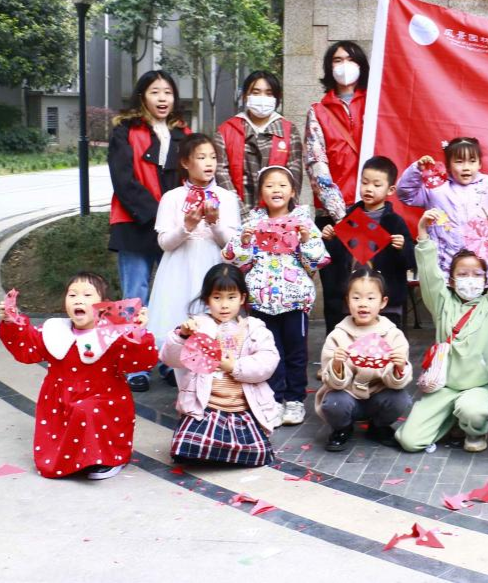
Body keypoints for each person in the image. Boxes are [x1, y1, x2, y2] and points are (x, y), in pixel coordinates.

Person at [0, 272, 158, 479]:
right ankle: (71, 459)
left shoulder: (113, 333)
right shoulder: (54, 330)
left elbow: (138, 362)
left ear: (104, 304)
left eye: (87, 295)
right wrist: (12, 321)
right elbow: (28, 346)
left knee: (87, 409)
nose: (78, 300)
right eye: (72, 295)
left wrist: (137, 333)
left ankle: (105, 458)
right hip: (59, 398)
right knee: (69, 424)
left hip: (103, 398)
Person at [397, 209, 488, 454]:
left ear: (486, 280)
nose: (469, 279)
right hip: (444, 386)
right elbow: (429, 275)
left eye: (477, 274)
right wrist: (423, 233)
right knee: (409, 441)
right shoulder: (442, 303)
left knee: (473, 410)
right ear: (451, 281)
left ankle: (474, 430)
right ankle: (452, 417)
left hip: (479, 387)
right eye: (462, 274)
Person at [224, 166, 330, 426]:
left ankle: (294, 400)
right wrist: (245, 242)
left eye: (282, 185)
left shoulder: (303, 222)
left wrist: (305, 240)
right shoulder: (252, 223)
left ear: (293, 191)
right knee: (268, 352)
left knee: (295, 352)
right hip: (261, 302)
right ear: (261, 192)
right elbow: (233, 259)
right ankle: (272, 399)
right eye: (269, 185)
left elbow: (317, 260)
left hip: (295, 301)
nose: (276, 190)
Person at [108, 69, 188, 391]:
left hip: (173, 227)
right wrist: (158, 215)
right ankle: (134, 365)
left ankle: (169, 360)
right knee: (134, 296)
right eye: (155, 92)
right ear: (142, 96)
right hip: (135, 221)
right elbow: (123, 180)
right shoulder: (125, 130)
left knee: (171, 294)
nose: (162, 98)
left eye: (167, 92)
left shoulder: (183, 133)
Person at [161, 264, 280, 466]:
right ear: (206, 299)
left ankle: (219, 454)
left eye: (231, 297)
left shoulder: (255, 329)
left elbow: (268, 362)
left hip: (242, 409)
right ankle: (217, 453)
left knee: (258, 453)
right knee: (186, 446)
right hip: (206, 408)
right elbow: (170, 358)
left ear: (242, 298)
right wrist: (182, 336)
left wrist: (233, 367)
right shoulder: (196, 327)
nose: (224, 305)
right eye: (217, 297)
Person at [148, 135, 240, 371]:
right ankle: (176, 366)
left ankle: (214, 367)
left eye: (213, 157)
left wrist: (214, 223)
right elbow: (164, 243)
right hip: (179, 267)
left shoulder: (227, 197)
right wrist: (186, 227)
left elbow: (232, 244)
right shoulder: (172, 198)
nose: (209, 163)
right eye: (201, 157)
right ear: (185, 162)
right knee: (178, 313)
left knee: (214, 313)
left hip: (213, 265)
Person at [395, 137, 488, 276]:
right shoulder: (436, 187)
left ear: (479, 164)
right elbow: (406, 194)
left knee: (486, 286)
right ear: (448, 165)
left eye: (472, 161)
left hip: (487, 268)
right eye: (459, 162)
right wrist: (417, 170)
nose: (466, 167)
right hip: (444, 266)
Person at [316, 267, 413, 453]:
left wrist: (399, 367)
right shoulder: (338, 335)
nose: (363, 304)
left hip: (379, 394)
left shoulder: (393, 335)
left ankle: (379, 426)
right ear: (347, 301)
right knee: (334, 402)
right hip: (347, 394)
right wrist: (337, 365)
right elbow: (333, 383)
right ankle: (342, 428)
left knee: (400, 399)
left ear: (383, 302)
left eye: (370, 298)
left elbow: (397, 382)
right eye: (356, 298)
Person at [306, 41, 369, 324]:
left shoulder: (376, 104)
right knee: (336, 290)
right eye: (337, 60)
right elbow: (316, 164)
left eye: (351, 59)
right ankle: (336, 349)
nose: (344, 66)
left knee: (370, 286)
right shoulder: (318, 111)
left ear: (362, 66)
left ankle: (374, 348)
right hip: (333, 216)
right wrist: (344, 216)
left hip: (371, 210)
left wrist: (370, 207)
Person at [322, 156, 416, 333]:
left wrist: (402, 247)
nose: (369, 188)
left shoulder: (394, 222)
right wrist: (328, 239)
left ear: (391, 190)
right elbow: (333, 259)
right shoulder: (349, 218)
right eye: (364, 183)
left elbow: (410, 261)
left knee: (384, 346)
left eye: (376, 185)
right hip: (352, 303)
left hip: (386, 305)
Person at [214, 69, 303, 212]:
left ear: (277, 98)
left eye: (269, 93)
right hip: (236, 214)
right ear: (245, 96)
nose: (262, 98)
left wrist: (284, 215)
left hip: (277, 216)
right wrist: (240, 213)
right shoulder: (226, 130)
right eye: (256, 92)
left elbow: (295, 176)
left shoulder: (289, 130)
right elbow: (221, 173)